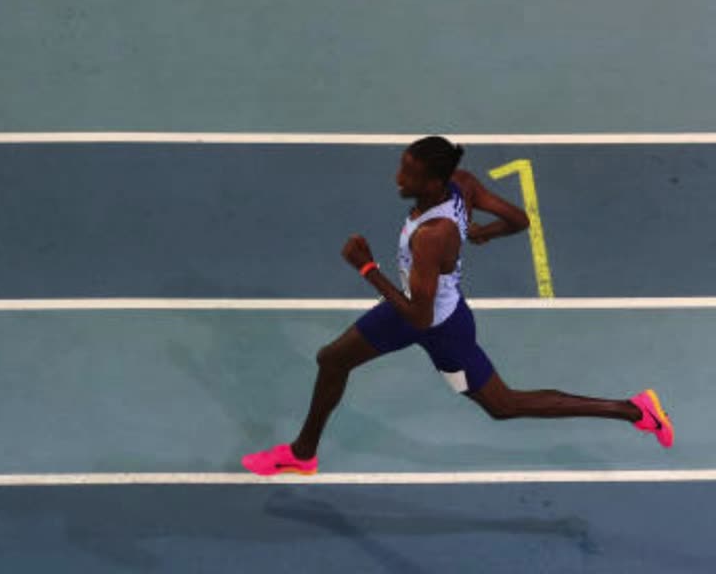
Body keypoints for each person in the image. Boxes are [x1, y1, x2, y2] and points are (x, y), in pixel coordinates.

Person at [242, 136, 673, 476]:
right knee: (332, 360)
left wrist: (367, 268)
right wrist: (482, 232)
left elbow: (419, 316)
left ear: (432, 182)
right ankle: (302, 455)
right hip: (418, 307)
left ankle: (633, 409)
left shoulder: (432, 235)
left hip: (438, 326)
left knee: (504, 406)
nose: (397, 178)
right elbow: (519, 220)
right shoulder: (461, 184)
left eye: (407, 173)